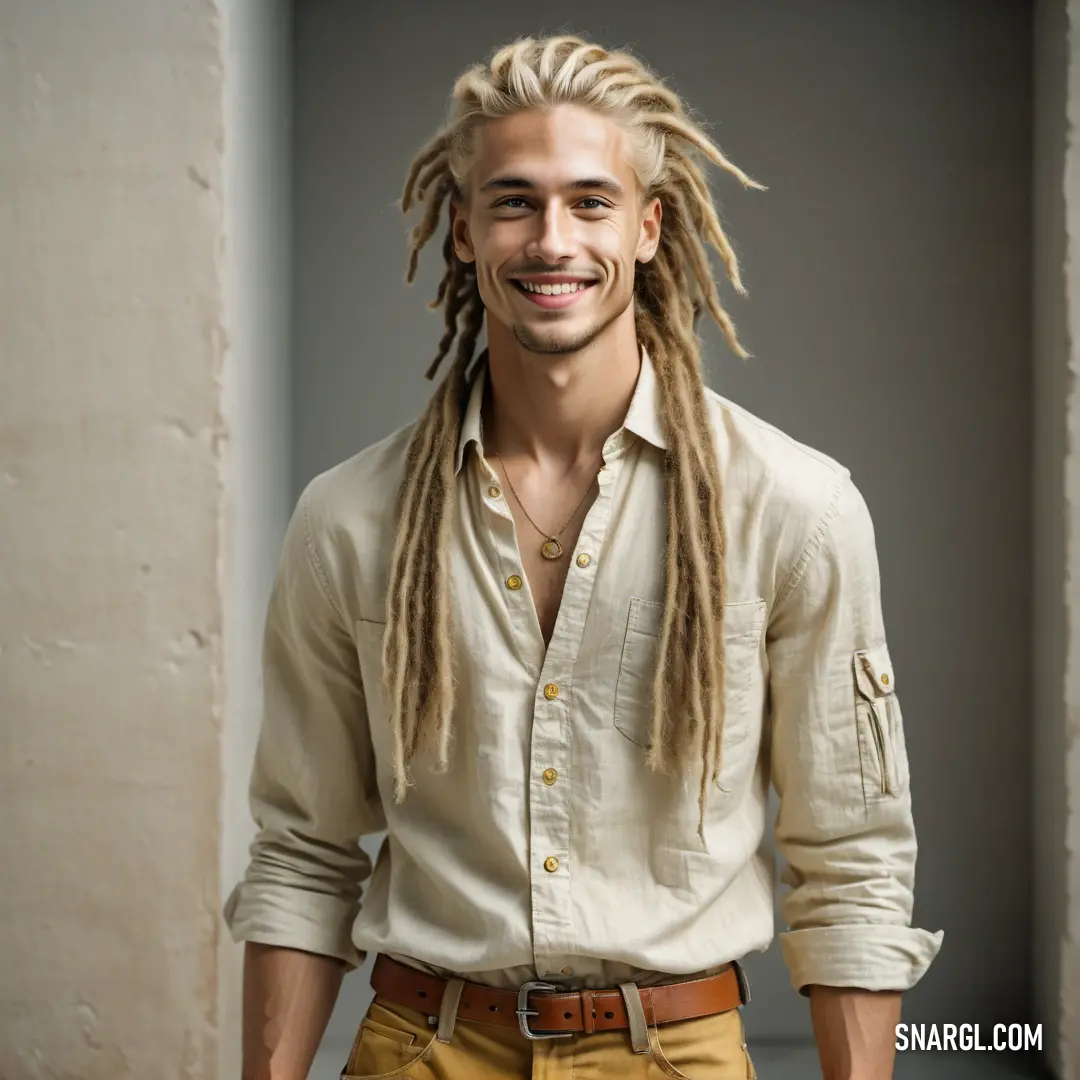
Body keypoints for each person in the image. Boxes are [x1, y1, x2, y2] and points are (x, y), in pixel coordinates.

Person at [225, 33, 943, 1080]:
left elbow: (854, 859)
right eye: (513, 200)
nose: (550, 238)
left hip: (675, 1053)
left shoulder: (796, 508)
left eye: (590, 202)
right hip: (419, 1049)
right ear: (464, 230)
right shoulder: (349, 521)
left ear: (649, 228)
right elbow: (303, 853)